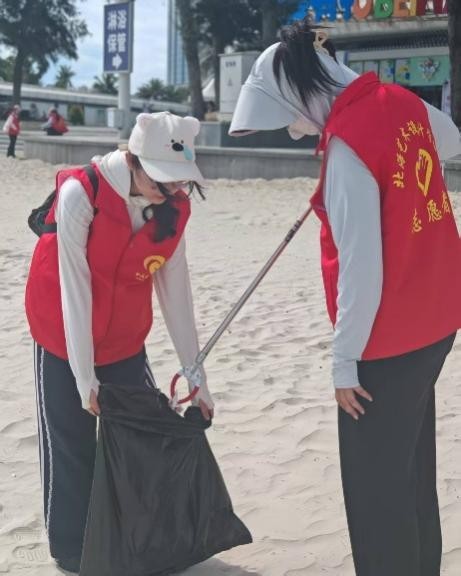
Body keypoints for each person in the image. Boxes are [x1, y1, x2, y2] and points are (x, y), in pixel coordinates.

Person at [229, 17, 461, 576]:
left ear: (302, 90)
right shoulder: (401, 101)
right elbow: (450, 139)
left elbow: (362, 270)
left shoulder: (346, 146)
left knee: (376, 492)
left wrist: (342, 361)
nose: (295, 132)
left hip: (388, 337)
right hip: (438, 317)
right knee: (410, 470)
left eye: (289, 117)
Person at [25, 111, 214, 574]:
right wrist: (83, 376)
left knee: (143, 436)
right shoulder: (81, 194)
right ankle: (73, 550)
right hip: (61, 333)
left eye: (179, 181)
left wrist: (196, 375)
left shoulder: (173, 207)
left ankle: (143, 538)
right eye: (162, 181)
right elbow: (74, 290)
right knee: (71, 443)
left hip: (126, 338)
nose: (172, 191)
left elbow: (175, 292)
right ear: (132, 160)